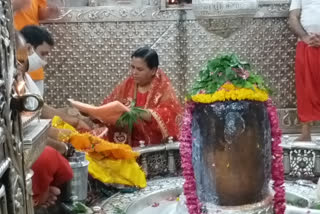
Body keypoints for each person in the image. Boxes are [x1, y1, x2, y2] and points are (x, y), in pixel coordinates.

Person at [102, 47, 182, 147]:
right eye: (132, 67)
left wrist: (135, 111)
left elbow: (169, 115)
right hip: (128, 145)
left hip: (154, 148)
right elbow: (109, 104)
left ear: (153, 70)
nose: (134, 72)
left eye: (139, 69)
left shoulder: (163, 88)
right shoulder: (128, 84)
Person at [289, 0, 320, 141]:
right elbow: (293, 17)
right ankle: (306, 133)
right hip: (306, 44)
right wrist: (305, 37)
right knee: (304, 88)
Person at [14, 0, 59, 95]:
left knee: (34, 101)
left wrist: (50, 11)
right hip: (14, 49)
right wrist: (13, 5)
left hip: (34, 50)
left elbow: (40, 12)